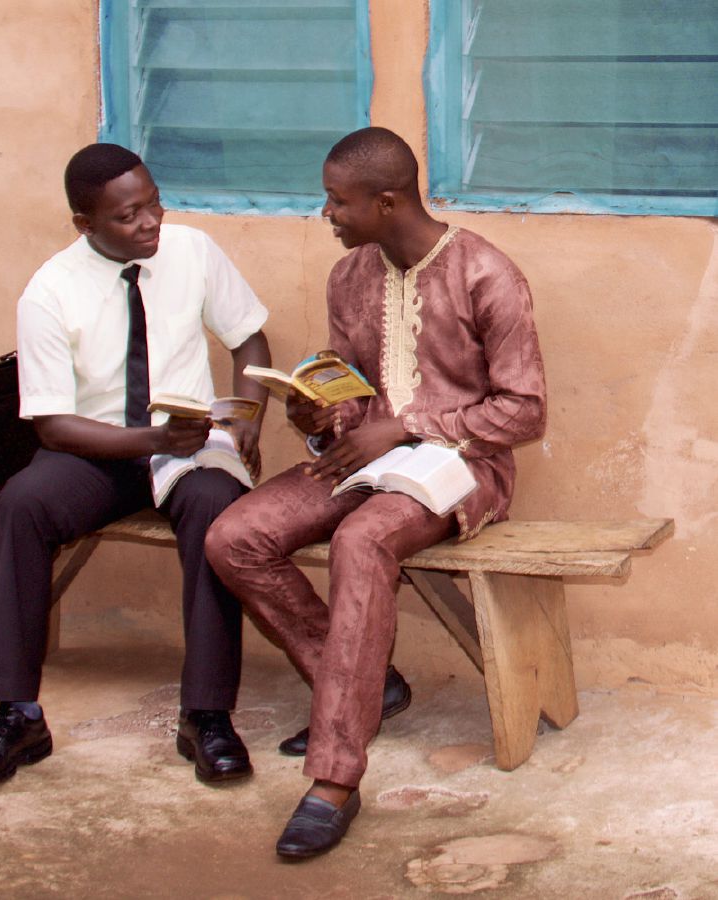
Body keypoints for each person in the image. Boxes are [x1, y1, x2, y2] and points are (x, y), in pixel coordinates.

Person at [205, 126, 546, 858]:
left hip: (463, 469)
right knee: (234, 537)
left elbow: (524, 412)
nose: (327, 213)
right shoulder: (349, 277)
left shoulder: (486, 272)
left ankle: (334, 778)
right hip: (366, 463)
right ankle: (365, 687)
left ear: (386, 202)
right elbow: (356, 398)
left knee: (363, 539)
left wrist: (407, 427)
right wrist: (321, 417)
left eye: (337, 201)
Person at [0, 143, 272, 787]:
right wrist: (150, 440)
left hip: (188, 448)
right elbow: (52, 424)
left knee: (215, 508)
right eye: (128, 216)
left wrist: (245, 418)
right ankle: (17, 714)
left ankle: (206, 715)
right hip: (97, 451)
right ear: (85, 223)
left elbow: (249, 339)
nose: (151, 222)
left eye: (154, 203)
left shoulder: (193, 252)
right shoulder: (50, 291)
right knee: (21, 504)